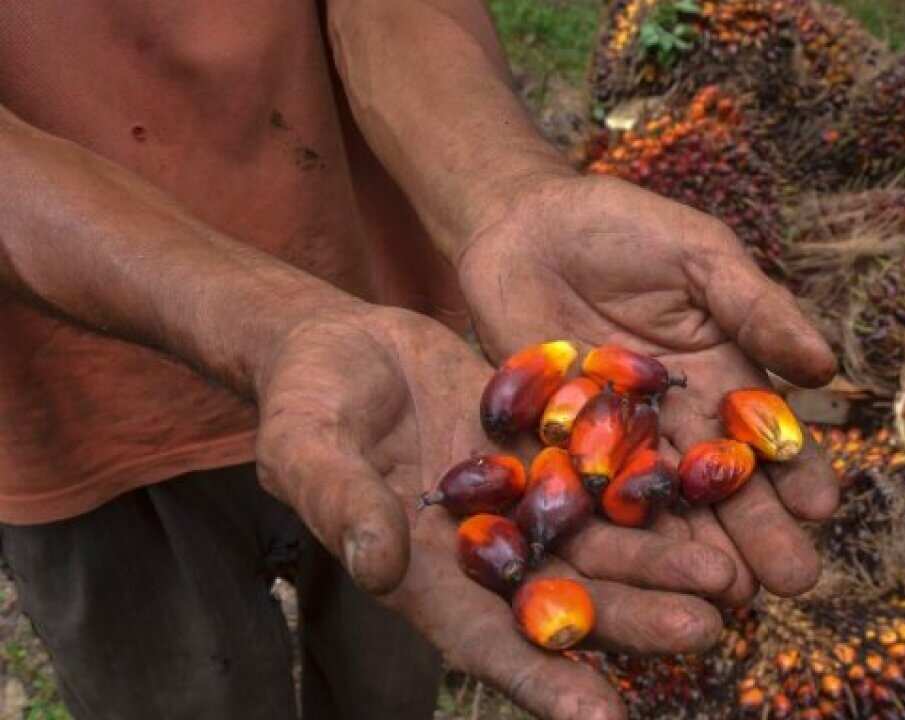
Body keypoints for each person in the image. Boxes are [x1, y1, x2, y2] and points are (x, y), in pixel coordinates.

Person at [0, 2, 839, 718]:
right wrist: (267, 323)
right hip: (77, 400)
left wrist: (507, 187)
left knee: (390, 672)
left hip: (397, 374)